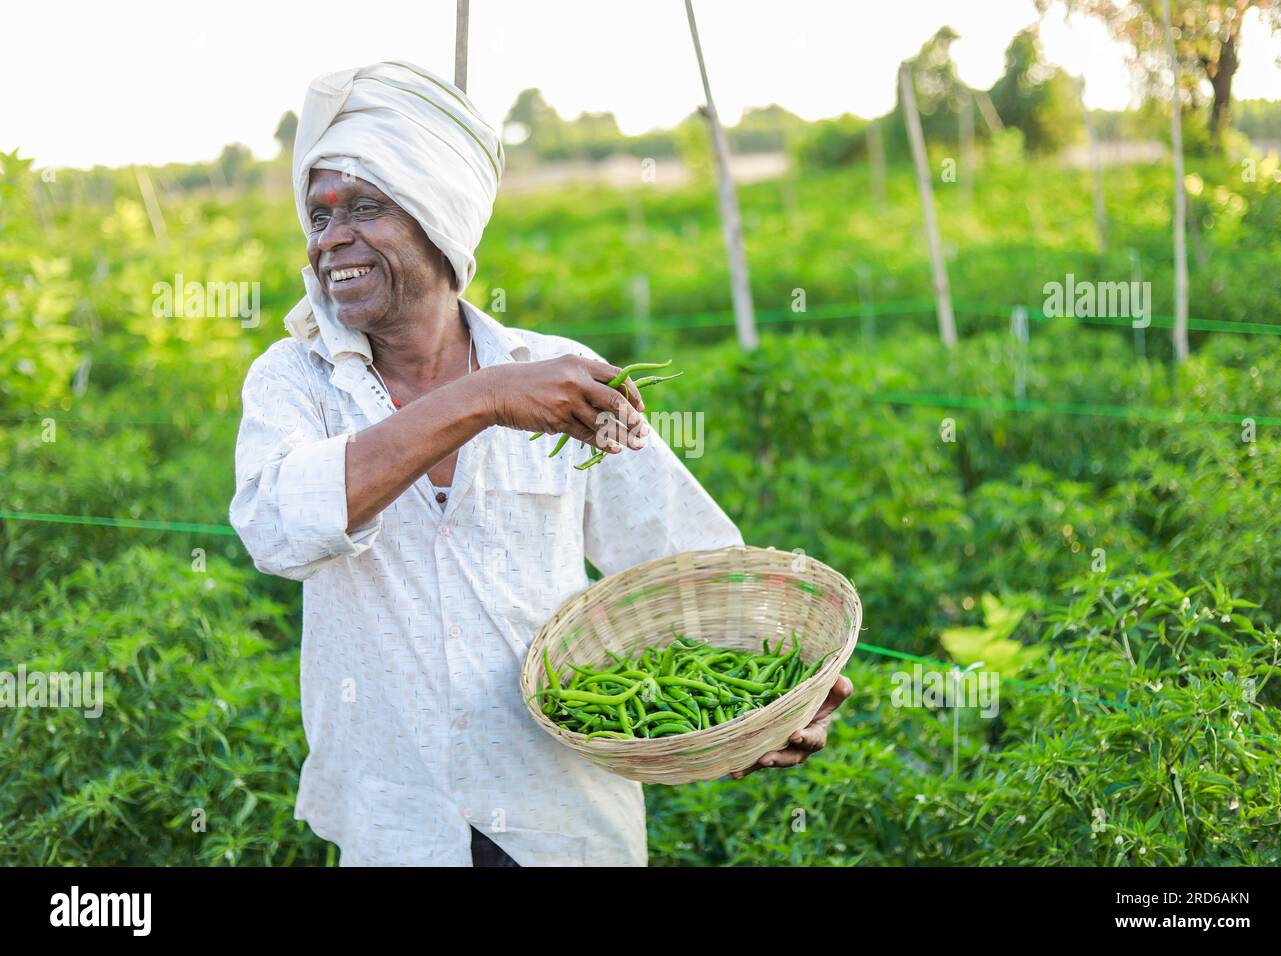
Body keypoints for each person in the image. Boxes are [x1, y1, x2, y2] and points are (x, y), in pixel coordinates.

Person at [229, 60, 852, 867]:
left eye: (365, 207)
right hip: (398, 831)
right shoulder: (295, 381)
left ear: (438, 218)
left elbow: (688, 566)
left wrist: (777, 704)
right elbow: (277, 528)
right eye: (319, 214)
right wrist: (480, 401)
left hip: (562, 824)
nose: (331, 238)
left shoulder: (560, 372)